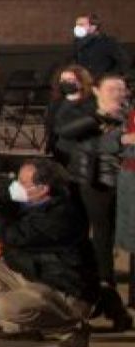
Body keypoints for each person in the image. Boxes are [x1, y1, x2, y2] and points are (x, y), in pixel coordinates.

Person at [0, 158, 110, 347]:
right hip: (37, 277)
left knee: (2, 306)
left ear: (43, 189)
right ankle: (21, 327)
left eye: (22, 183)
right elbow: (6, 213)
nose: (15, 186)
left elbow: (13, 235)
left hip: (63, 293)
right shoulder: (34, 203)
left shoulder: (61, 215)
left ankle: (71, 326)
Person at [53, 73, 127, 297]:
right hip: (95, 181)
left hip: (125, 180)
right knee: (102, 235)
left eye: (121, 89)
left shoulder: (129, 113)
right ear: (96, 90)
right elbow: (64, 131)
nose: (117, 93)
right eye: (111, 89)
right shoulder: (83, 110)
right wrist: (99, 117)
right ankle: (105, 287)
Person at [71, 13, 131, 79]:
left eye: (81, 25)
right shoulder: (77, 43)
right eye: (76, 25)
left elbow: (124, 61)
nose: (77, 28)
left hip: (103, 81)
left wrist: (111, 78)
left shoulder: (108, 42)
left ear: (93, 27)